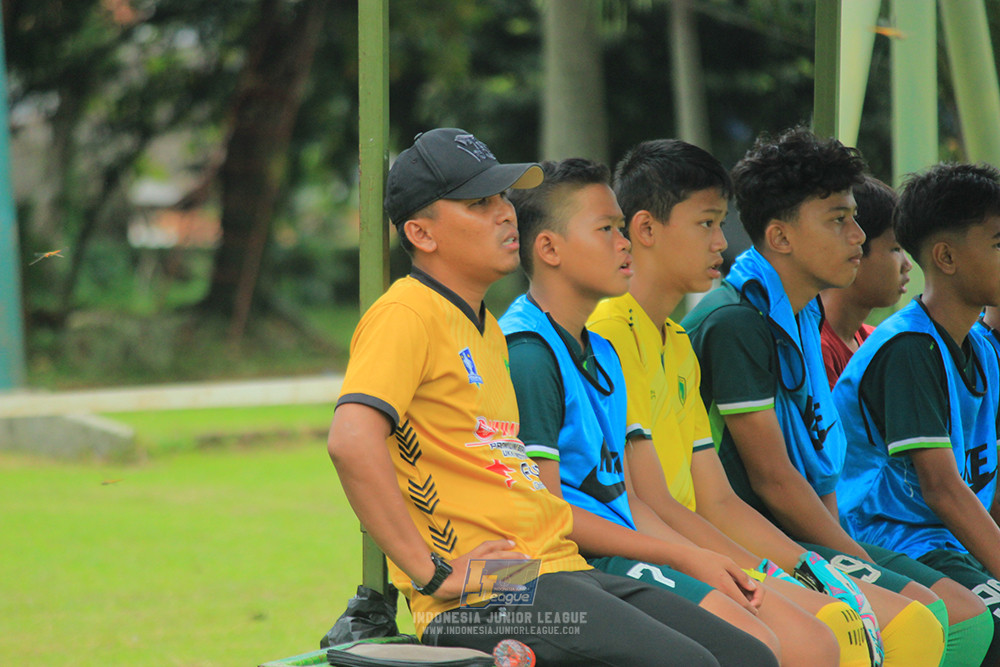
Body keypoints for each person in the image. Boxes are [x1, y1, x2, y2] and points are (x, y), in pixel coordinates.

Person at [327, 127, 778, 666]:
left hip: (549, 567)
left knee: (748, 656)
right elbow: (351, 441)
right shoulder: (406, 313)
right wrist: (432, 573)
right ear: (421, 234)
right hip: (482, 601)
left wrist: (688, 555)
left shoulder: (485, 328)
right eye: (478, 204)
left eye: (502, 198)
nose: (504, 213)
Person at [587, 138, 943, 667]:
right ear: (645, 230)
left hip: (699, 536)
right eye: (706, 224)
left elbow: (715, 500)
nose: (721, 242)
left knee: (904, 624)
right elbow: (652, 503)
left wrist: (801, 567)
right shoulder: (612, 334)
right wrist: (752, 569)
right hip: (639, 549)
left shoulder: (676, 341)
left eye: (719, 223)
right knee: (840, 632)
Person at [499, 156, 838, 666]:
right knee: (755, 650)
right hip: (560, 567)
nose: (623, 243)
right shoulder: (530, 354)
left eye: (620, 228)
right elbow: (549, 515)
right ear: (549, 249)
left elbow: (630, 498)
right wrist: (686, 555)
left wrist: (704, 557)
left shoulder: (601, 352)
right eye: (607, 229)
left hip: (618, 551)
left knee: (814, 639)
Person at [681, 127, 990, 667]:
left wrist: (855, 558)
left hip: (798, 529)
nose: (858, 236)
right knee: (923, 620)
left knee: (960, 616)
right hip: (742, 535)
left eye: (856, 218)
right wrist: (859, 564)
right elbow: (774, 479)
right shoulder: (737, 321)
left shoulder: (799, 314)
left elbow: (818, 469)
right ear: (780, 237)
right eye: (838, 220)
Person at [834, 162, 1000, 664]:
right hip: (893, 538)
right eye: (999, 243)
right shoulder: (909, 349)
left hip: (947, 541)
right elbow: (942, 489)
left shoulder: (981, 348)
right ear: (946, 257)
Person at [819, 176, 912, 389]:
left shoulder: (875, 341)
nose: (907, 265)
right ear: (854, 251)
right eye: (896, 249)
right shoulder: (816, 348)